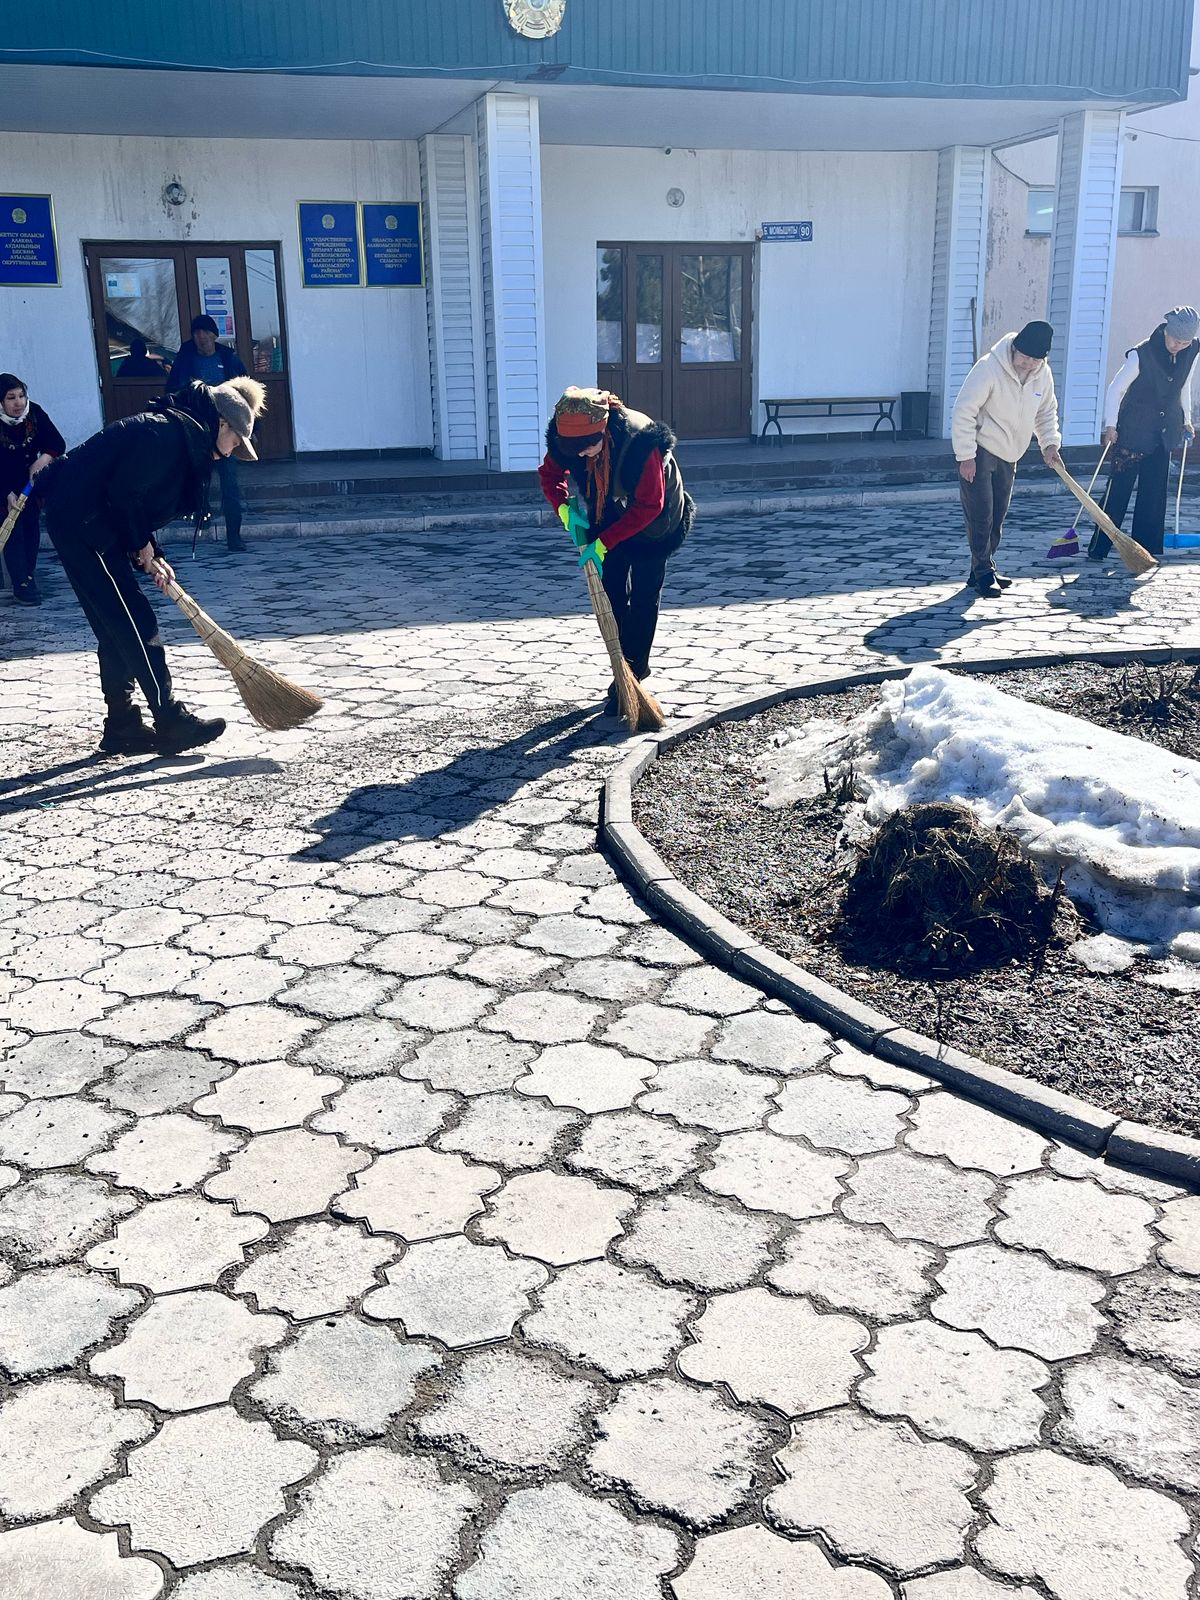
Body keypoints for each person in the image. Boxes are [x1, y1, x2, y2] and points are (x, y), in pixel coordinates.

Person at [37, 376, 266, 756]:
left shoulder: (179, 435)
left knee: (116, 626)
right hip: (84, 523)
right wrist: (140, 545)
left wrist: (152, 552)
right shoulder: (165, 436)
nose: (230, 453)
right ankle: (171, 719)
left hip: (89, 520)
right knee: (136, 622)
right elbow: (123, 496)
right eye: (235, 442)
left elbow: (134, 502)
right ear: (222, 423)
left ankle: (123, 727)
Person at [538, 386, 694, 713]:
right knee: (610, 593)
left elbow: (650, 505)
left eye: (587, 449)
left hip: (656, 521)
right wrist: (566, 511)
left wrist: (604, 542)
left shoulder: (641, 444)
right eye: (574, 451)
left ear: (603, 430)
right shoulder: (568, 439)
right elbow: (550, 475)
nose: (581, 456)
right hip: (608, 508)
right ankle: (622, 664)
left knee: (643, 596)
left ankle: (634, 672)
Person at [951, 320, 1062, 596]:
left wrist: (1050, 444)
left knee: (997, 517)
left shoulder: (1042, 375)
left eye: (1035, 360)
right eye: (1024, 357)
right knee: (981, 516)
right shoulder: (989, 367)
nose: (1027, 364)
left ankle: (979, 571)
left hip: (1011, 453)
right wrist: (966, 456)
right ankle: (984, 572)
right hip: (980, 450)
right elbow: (964, 411)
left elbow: (1046, 412)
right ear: (1014, 349)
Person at [1088, 305, 1200, 561]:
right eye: (1175, 340)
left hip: (1163, 433)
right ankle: (1099, 547)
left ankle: (1145, 550)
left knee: (1154, 493)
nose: (1178, 346)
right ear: (1166, 331)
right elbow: (1115, 389)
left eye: (1184, 342)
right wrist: (1111, 425)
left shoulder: (1192, 350)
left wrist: (1187, 420)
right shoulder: (1142, 354)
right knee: (1118, 492)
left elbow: (1185, 385)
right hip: (1133, 431)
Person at [168, 315, 250, 553]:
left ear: (214, 335)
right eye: (196, 333)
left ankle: (234, 536)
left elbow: (246, 392)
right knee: (197, 476)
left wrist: (251, 428)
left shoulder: (228, 358)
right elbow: (173, 390)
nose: (201, 337)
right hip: (196, 430)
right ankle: (200, 513)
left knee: (230, 484)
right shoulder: (186, 360)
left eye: (205, 332)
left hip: (225, 432)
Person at [1, 372, 66, 607]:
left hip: (29, 485)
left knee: (30, 530)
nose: (18, 403)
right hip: (2, 486)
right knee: (12, 533)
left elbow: (57, 443)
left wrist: (43, 459)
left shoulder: (34, 414)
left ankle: (27, 576)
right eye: (11, 398)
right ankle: (22, 584)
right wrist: (5, 492)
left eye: (21, 395)